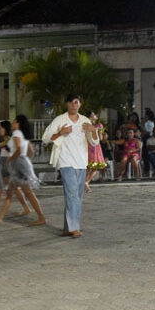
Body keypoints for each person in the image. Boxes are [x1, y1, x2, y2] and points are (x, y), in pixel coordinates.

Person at [42, 94, 99, 238]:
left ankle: (67, 227)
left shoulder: (85, 121)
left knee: (77, 196)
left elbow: (94, 143)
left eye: (77, 102)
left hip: (81, 162)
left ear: (80, 104)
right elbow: (45, 138)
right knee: (72, 194)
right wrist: (60, 133)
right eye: (72, 102)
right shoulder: (60, 120)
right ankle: (75, 228)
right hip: (66, 161)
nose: (75, 105)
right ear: (67, 104)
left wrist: (93, 130)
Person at [0, 115, 45, 225]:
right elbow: (31, 152)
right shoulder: (23, 135)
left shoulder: (17, 133)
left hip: (18, 164)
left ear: (18, 123)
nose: (12, 123)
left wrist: (11, 159)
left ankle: (41, 217)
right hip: (22, 163)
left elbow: (18, 149)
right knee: (12, 191)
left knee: (27, 192)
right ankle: (0, 216)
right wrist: (25, 160)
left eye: (14, 121)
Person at [0, 120, 30, 217]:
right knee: (11, 189)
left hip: (7, 163)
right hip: (4, 162)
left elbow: (15, 150)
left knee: (5, 188)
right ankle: (26, 207)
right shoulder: (6, 138)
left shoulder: (10, 139)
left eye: (1, 128)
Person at [85, 112, 106, 192]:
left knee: (87, 167)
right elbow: (100, 138)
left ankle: (84, 183)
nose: (96, 116)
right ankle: (86, 182)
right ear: (91, 116)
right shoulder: (99, 125)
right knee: (94, 168)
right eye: (94, 115)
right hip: (95, 147)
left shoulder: (85, 125)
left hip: (87, 146)